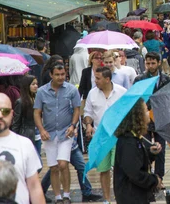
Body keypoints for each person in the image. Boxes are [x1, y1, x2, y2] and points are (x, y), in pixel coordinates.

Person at [33, 65, 81, 204]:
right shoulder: (42, 92)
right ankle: (58, 196)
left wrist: (73, 125)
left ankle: (67, 195)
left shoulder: (71, 89)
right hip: (49, 133)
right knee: (53, 167)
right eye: (57, 74)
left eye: (63, 74)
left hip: (66, 132)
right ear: (51, 75)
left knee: (63, 164)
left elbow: (77, 109)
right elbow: (37, 112)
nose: (60, 77)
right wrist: (41, 130)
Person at [83, 66, 127, 204]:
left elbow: (128, 111)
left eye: (98, 78)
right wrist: (89, 125)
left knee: (120, 169)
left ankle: (120, 197)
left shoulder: (122, 92)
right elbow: (87, 113)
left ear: (107, 79)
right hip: (100, 136)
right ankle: (107, 200)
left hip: (118, 135)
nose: (95, 81)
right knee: (103, 169)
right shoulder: (92, 93)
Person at [113, 99, 162, 204]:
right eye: (145, 110)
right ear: (138, 116)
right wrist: (155, 180)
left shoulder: (135, 138)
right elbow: (135, 173)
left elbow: (138, 160)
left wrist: (151, 153)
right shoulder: (128, 142)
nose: (148, 112)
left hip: (136, 195)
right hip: (131, 197)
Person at [134, 52, 170, 189]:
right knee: (146, 148)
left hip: (161, 118)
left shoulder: (166, 80)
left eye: (153, 63)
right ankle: (148, 176)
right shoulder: (139, 79)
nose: (150, 66)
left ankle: (159, 178)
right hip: (145, 119)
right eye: (148, 63)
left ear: (159, 63)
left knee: (161, 149)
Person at [11, 75, 41, 155]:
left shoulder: (37, 99)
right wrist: (14, 138)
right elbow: (16, 122)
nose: (36, 86)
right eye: (33, 84)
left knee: (37, 161)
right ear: (27, 86)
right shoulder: (20, 102)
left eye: (36, 84)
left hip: (37, 134)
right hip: (26, 134)